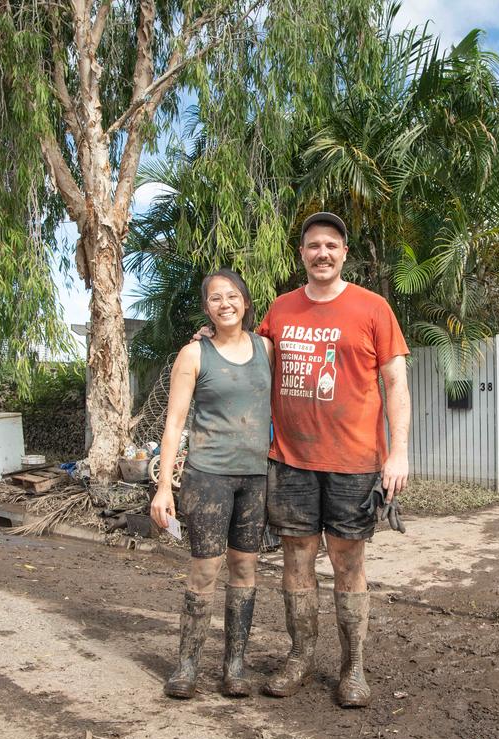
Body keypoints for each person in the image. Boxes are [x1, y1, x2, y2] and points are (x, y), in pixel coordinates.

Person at [258, 212, 410, 708]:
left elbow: (396, 385)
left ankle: (353, 666)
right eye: (313, 245)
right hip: (292, 460)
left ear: (344, 253)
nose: (322, 253)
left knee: (349, 562)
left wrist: (400, 452)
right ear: (301, 254)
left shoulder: (372, 307)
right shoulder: (280, 309)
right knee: (296, 560)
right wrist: (210, 343)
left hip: (355, 462)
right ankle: (300, 657)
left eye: (331, 245)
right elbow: (248, 355)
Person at [150, 268, 274, 699]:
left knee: (245, 568)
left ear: (245, 301)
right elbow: (174, 424)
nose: (226, 304)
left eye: (233, 296)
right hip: (208, 478)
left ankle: (234, 667)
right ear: (207, 308)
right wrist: (164, 485)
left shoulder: (266, 349)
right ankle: (186, 666)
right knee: (205, 568)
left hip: (255, 478)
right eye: (216, 298)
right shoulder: (194, 355)